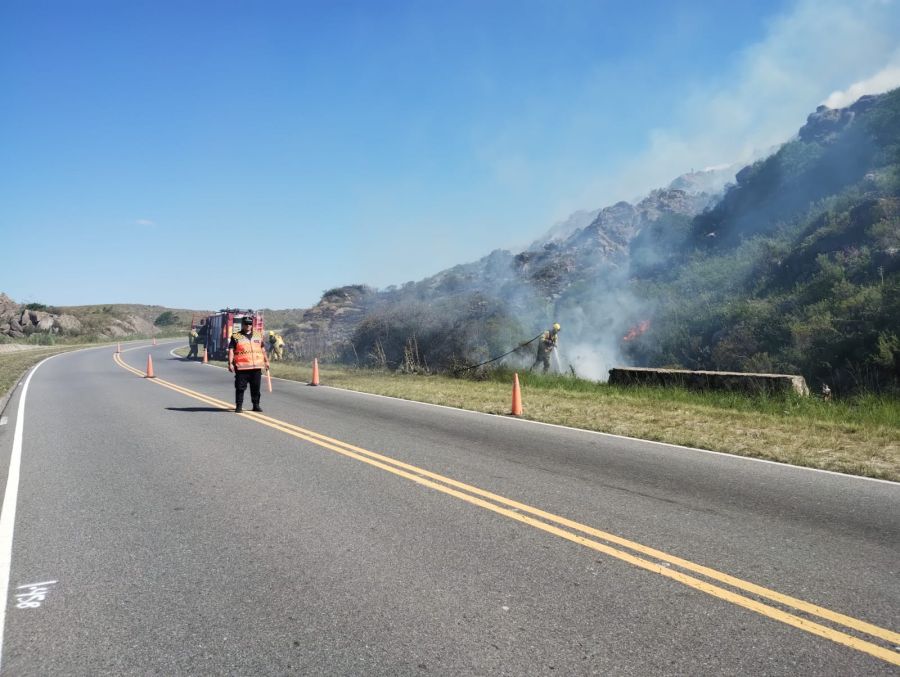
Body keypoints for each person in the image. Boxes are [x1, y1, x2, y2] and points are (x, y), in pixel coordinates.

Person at [227, 316, 270, 413]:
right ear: (242, 324)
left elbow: (262, 349)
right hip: (242, 368)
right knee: (240, 388)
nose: (248, 325)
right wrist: (230, 363)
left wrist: (266, 361)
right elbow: (231, 351)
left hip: (256, 367)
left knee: (256, 388)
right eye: (246, 324)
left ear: (252, 325)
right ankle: (239, 406)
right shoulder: (236, 336)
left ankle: (256, 405)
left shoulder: (258, 335)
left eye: (250, 324)